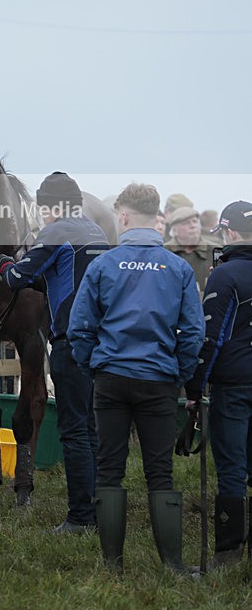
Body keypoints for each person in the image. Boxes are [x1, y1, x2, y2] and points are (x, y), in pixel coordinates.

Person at [68, 183, 204, 573]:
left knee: (109, 467)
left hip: (110, 377)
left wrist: (92, 366)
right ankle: (174, 566)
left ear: (123, 216)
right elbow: (193, 332)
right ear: (156, 215)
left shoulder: (103, 265)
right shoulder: (177, 267)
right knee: (159, 471)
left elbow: (80, 328)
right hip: (159, 378)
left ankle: (113, 565)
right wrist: (179, 372)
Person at [0, 172, 109, 533]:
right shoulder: (95, 231)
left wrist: (2, 263)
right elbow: (57, 275)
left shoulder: (56, 230)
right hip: (100, 340)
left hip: (69, 340)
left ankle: (79, 518)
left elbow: (17, 278)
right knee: (90, 430)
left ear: (50, 207)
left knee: (74, 431)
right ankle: (96, 508)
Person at [185, 200, 252, 568]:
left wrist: (195, 389)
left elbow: (211, 338)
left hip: (234, 385)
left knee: (232, 470)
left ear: (230, 233)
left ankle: (227, 556)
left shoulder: (225, 275)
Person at [165, 206, 212, 292]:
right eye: (186, 223)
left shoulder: (216, 251)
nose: (192, 226)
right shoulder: (163, 252)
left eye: (195, 221)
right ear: (174, 230)